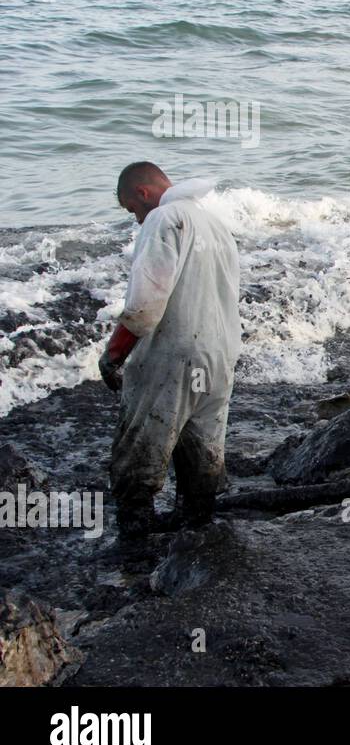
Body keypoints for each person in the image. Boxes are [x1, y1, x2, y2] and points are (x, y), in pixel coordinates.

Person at [99, 163, 241, 549]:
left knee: (139, 454)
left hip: (173, 355)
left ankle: (136, 544)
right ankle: (196, 535)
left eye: (132, 210)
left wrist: (112, 356)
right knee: (203, 453)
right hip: (220, 352)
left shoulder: (162, 218)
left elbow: (144, 306)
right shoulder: (214, 224)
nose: (135, 218)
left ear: (143, 194)